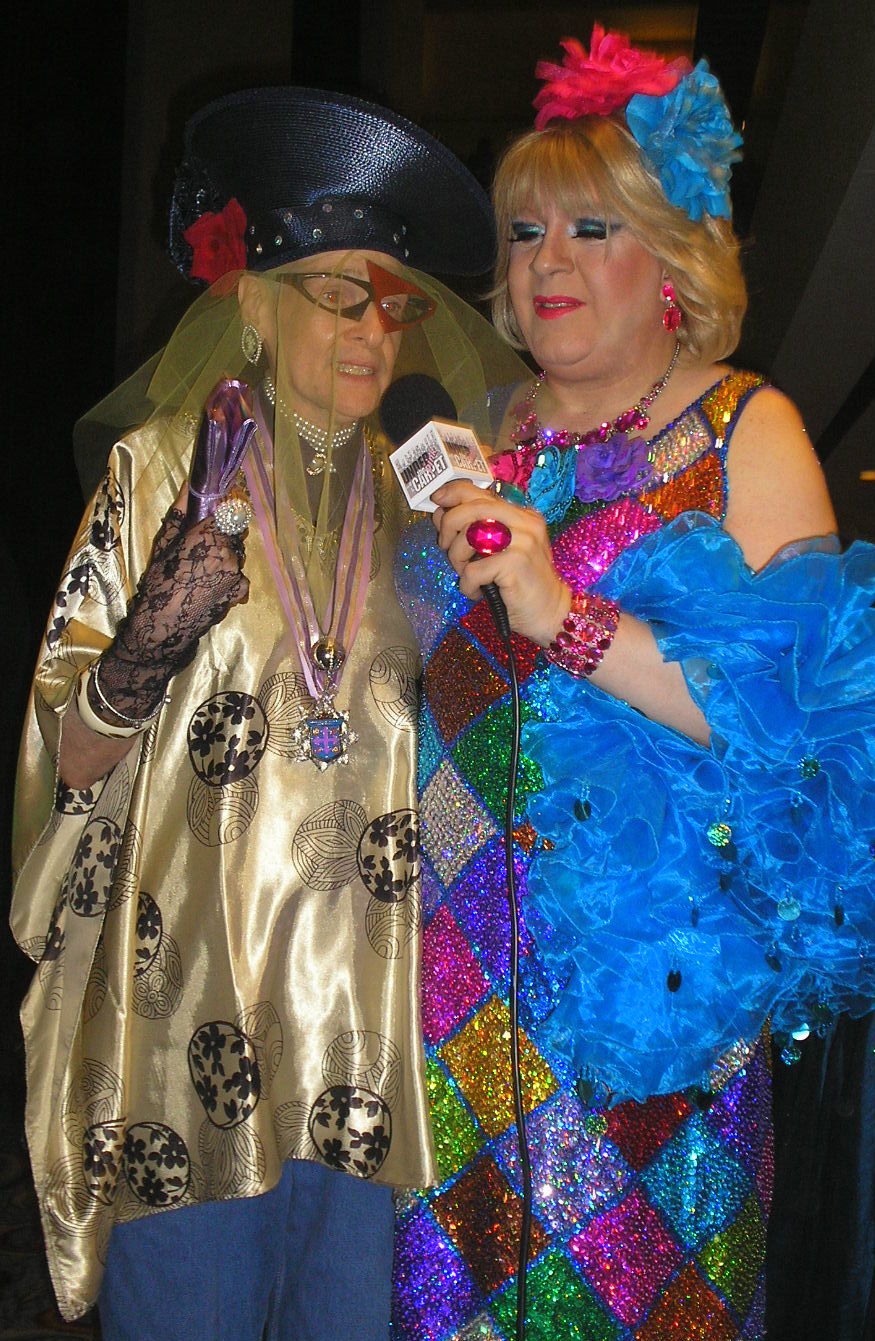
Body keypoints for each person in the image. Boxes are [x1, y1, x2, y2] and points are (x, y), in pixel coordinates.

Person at [10, 86, 526, 1338]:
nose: (372, 332)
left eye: (393, 305)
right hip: (187, 1034)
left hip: (374, 1051)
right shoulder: (159, 473)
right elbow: (61, 769)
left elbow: (480, 765)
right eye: (340, 295)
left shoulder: (426, 509)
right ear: (253, 302)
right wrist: (144, 647)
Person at [392, 27, 875, 1339]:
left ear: (670, 261)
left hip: (643, 1010)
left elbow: (805, 737)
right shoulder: (474, 437)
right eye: (522, 234)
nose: (542, 262)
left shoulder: (742, 429)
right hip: (444, 987)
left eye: (587, 229)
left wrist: (561, 615)